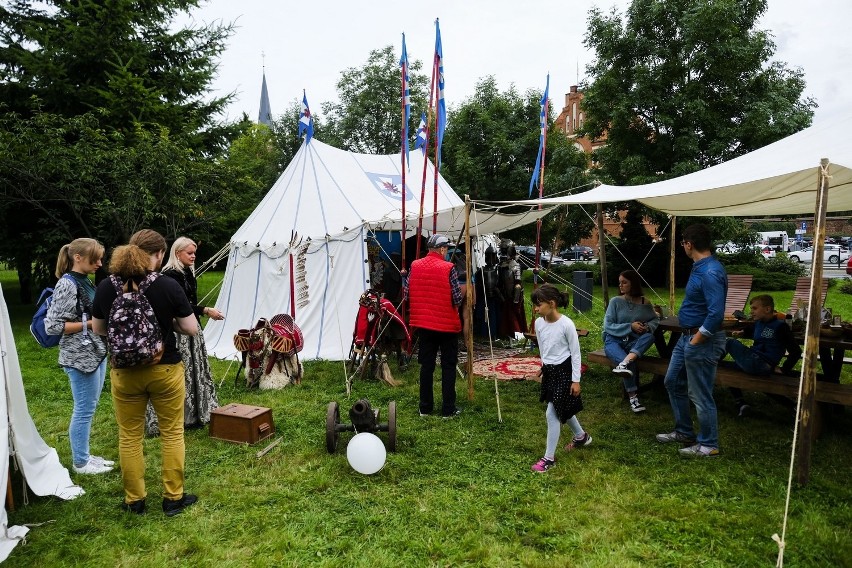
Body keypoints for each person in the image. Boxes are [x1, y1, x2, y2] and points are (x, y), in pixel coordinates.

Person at [92, 229, 199, 516]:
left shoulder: (105, 286)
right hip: (164, 367)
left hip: (124, 373)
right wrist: (171, 324)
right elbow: (191, 328)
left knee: (129, 436)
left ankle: (134, 501)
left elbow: (99, 329)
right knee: (172, 433)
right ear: (160, 254)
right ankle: (173, 498)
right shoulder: (167, 285)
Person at [656, 224, 727, 458]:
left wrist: (697, 339)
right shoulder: (700, 267)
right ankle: (684, 431)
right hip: (686, 337)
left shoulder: (710, 272)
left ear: (689, 244)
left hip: (701, 339)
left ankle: (709, 444)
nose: (683, 247)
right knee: (672, 381)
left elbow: (716, 314)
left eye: (683, 243)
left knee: (700, 393)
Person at [44, 238, 113, 475]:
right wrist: (91, 323)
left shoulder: (84, 281)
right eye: (95, 259)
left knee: (89, 407)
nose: (99, 263)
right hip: (79, 356)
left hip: (94, 352)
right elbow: (52, 326)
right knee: (83, 408)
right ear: (78, 257)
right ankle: (81, 463)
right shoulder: (68, 284)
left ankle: (85, 455)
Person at [144, 237, 223, 436]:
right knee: (185, 369)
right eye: (189, 253)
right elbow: (179, 306)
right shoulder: (170, 276)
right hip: (179, 329)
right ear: (177, 253)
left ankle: (195, 412)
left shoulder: (186, 272)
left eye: (194, 253)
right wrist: (205, 310)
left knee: (195, 368)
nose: (193, 256)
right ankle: (181, 414)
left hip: (191, 326)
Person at [529, 284, 592, 472]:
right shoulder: (539, 323)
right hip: (550, 371)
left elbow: (576, 353)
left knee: (552, 412)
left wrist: (576, 380)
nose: (535, 309)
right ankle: (581, 436)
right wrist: (543, 367)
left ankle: (548, 458)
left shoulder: (567, 325)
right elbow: (543, 347)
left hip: (565, 371)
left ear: (552, 303)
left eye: (538, 305)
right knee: (560, 405)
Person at [406, 233, 462, 417]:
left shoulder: (415, 265)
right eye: (447, 249)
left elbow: (407, 293)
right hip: (446, 326)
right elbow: (456, 298)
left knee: (426, 366)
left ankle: (425, 407)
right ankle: (448, 409)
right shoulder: (449, 268)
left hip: (424, 324)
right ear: (442, 249)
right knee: (448, 366)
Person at [724, 294, 795, 416]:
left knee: (728, 342)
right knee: (728, 368)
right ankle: (741, 403)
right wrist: (743, 332)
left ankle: (706, 363)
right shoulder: (759, 322)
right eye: (751, 308)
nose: (751, 312)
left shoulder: (781, 326)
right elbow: (753, 330)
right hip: (754, 362)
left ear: (767, 309)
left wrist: (784, 369)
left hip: (761, 363)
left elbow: (796, 351)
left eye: (754, 308)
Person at [603, 270, 660, 413]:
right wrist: (630, 326)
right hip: (613, 341)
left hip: (633, 343)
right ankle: (633, 398)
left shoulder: (645, 303)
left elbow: (655, 319)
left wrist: (647, 327)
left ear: (633, 283)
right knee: (629, 363)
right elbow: (607, 325)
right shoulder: (615, 301)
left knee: (650, 336)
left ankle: (625, 362)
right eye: (619, 282)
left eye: (624, 282)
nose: (620, 285)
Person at [498, 242, 527, 342]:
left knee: (516, 314)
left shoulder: (516, 266)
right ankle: (507, 333)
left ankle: (518, 333)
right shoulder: (501, 265)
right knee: (507, 315)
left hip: (515, 296)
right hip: (506, 294)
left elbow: (518, 285)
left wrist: (515, 299)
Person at [473, 245, 500, 339]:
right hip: (483, 297)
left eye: (493, 256)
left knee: (494, 316)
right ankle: (483, 333)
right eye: (490, 256)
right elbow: (477, 284)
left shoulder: (498, 270)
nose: (491, 258)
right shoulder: (481, 271)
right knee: (483, 314)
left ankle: (493, 333)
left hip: (495, 297)